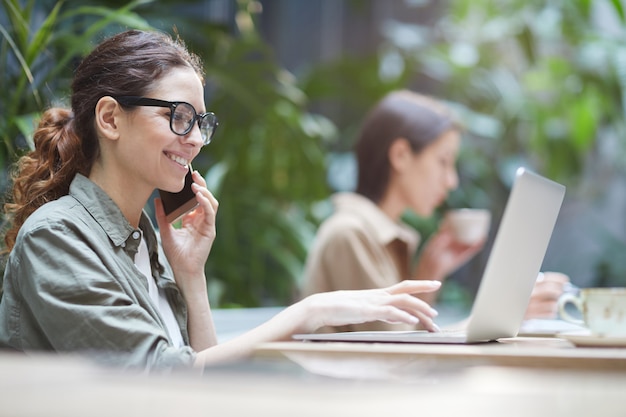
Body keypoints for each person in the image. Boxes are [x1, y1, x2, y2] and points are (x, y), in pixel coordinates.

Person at [0, 30, 442, 371]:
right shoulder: (57, 236)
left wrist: (191, 276)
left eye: (200, 122)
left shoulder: (147, 242)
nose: (194, 140)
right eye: (178, 117)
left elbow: (200, 386)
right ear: (111, 118)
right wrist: (312, 310)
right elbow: (158, 380)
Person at [300, 90, 569, 332]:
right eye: (443, 161)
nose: (451, 181)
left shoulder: (382, 236)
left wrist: (431, 271)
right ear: (401, 155)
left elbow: (407, 338)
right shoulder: (350, 233)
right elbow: (394, 352)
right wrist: (506, 315)